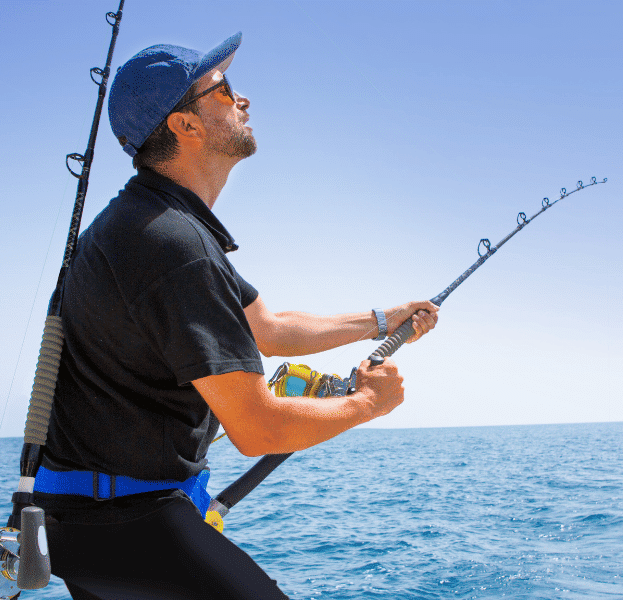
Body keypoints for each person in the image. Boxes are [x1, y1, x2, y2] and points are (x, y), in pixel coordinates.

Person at [31, 33, 439, 599]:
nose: (242, 98)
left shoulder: (153, 223)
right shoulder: (174, 247)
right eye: (221, 89)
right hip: (124, 518)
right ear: (185, 125)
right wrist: (368, 403)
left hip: (89, 516)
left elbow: (268, 330)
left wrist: (381, 319)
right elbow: (258, 428)